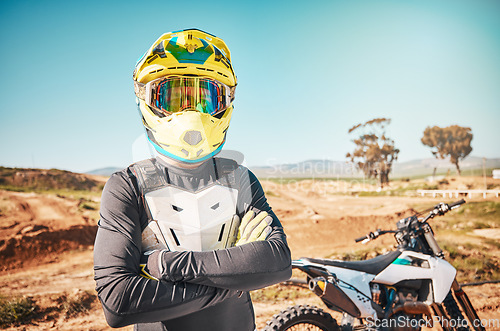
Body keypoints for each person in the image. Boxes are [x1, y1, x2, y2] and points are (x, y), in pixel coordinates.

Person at [93, 28, 292, 330]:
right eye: (173, 97)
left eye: (206, 98)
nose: (191, 112)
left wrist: (168, 265)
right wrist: (234, 272)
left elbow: (277, 262)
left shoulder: (239, 178)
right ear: (147, 100)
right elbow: (119, 302)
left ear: (225, 102)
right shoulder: (128, 185)